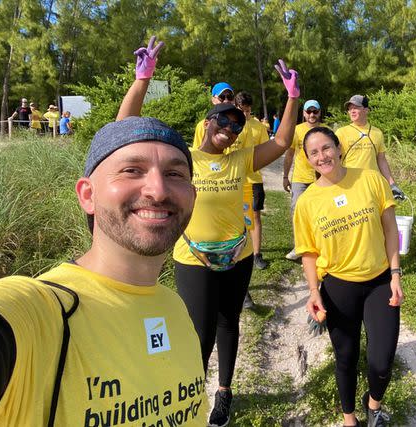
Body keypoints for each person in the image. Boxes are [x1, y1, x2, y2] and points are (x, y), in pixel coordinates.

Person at [0, 37, 207, 426]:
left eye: (175, 174)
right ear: (87, 195)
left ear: (192, 196)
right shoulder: (41, 311)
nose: (158, 190)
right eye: (132, 171)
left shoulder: (176, 308)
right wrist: (140, 82)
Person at [119, 43, 299, 427]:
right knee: (197, 331)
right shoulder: (180, 156)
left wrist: (292, 98)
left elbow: (282, 142)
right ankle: (191, 395)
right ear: (207, 122)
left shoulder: (240, 158)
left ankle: (224, 392)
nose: (230, 130)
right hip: (193, 257)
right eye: (223, 121)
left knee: (228, 323)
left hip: (237, 254)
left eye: (236, 125)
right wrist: (142, 80)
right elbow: (125, 130)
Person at [294, 127, 403, 427]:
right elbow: (309, 253)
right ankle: (349, 419)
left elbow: (391, 229)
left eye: (326, 148)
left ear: (338, 147)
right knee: (346, 356)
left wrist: (395, 273)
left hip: (380, 281)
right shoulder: (307, 202)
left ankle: (374, 405)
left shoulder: (371, 180)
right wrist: (314, 291)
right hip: (338, 287)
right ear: (307, 159)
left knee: (381, 361)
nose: (322, 156)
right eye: (313, 152)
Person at [226, 91, 271, 271]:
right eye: (241, 110)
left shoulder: (258, 127)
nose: (244, 114)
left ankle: (257, 254)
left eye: (248, 111)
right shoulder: (228, 124)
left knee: (254, 217)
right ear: (235, 107)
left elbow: (266, 150)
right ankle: (232, 252)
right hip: (230, 180)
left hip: (253, 180)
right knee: (232, 217)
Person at [283, 99, 329, 260]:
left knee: (321, 214)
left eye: (315, 111)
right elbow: (289, 154)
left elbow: (337, 156)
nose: (312, 115)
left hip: (322, 179)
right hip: (300, 179)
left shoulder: (327, 131)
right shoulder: (296, 130)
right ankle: (299, 247)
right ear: (303, 113)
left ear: (319, 112)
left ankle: (320, 248)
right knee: (298, 212)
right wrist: (285, 176)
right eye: (308, 111)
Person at [335, 95, 405, 201]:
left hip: (372, 183)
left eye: (356, 107)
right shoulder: (341, 132)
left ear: (366, 110)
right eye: (350, 108)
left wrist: (392, 184)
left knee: (373, 214)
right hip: (349, 183)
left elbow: (381, 160)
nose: (352, 111)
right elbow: (334, 160)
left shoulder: (377, 133)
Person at [192, 82, 235, 149]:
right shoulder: (203, 125)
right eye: (222, 97)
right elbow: (198, 153)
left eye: (230, 97)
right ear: (213, 100)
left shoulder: (240, 125)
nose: (226, 101)